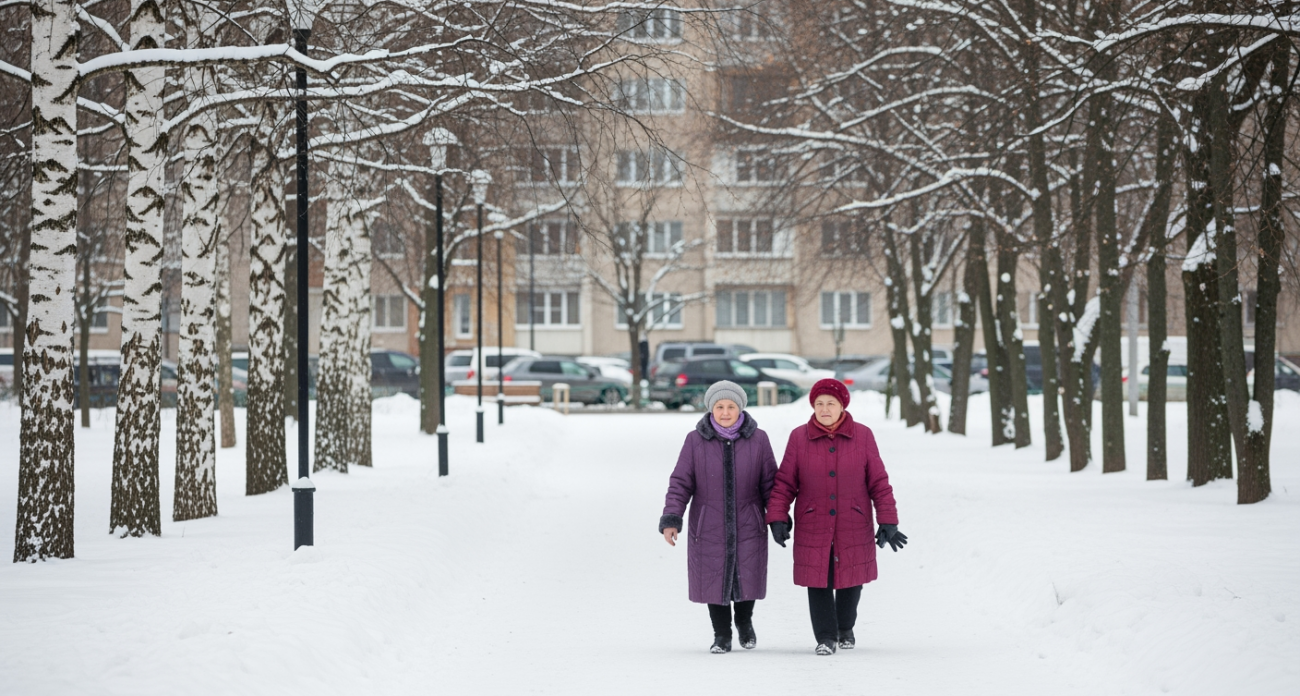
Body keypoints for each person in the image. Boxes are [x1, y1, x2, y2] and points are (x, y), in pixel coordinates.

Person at [765, 378, 907, 655]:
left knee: (852, 577)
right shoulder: (798, 437)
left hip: (853, 519)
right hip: (812, 520)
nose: (824, 408)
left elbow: (878, 480)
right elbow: (784, 483)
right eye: (819, 404)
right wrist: (777, 517)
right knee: (817, 579)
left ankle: (845, 627)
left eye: (831, 403)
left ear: (842, 406)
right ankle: (825, 637)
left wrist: (887, 519)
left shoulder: (863, 436)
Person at [660, 381, 778, 653]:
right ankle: (721, 634)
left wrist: (777, 518)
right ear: (711, 409)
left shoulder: (758, 439)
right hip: (708, 520)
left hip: (749, 519)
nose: (725, 412)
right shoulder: (695, 440)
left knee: (747, 573)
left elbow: (771, 483)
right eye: (719, 407)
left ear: (741, 408)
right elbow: (680, 482)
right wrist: (671, 518)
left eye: (731, 406)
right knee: (713, 576)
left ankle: (745, 622)